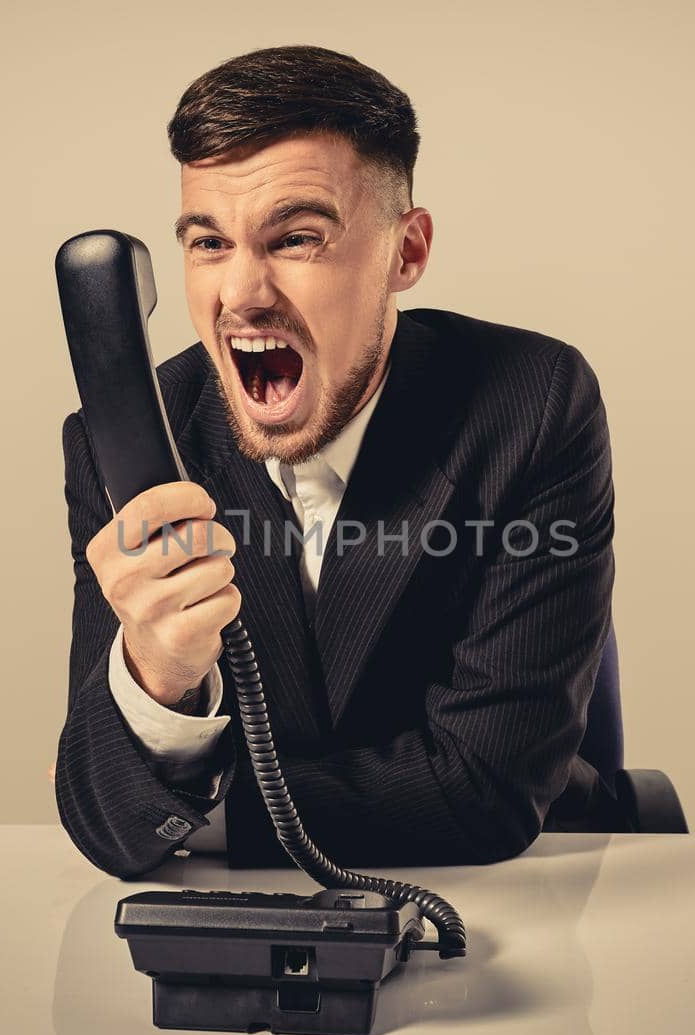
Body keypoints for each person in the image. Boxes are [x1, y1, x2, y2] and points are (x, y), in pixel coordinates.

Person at [54, 44, 616, 877]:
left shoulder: (532, 403)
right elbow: (104, 816)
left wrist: (198, 810)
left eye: (297, 239)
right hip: (229, 941)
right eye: (208, 242)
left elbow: (482, 787)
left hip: (522, 894)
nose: (241, 294)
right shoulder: (129, 439)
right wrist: (156, 678)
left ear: (406, 252)